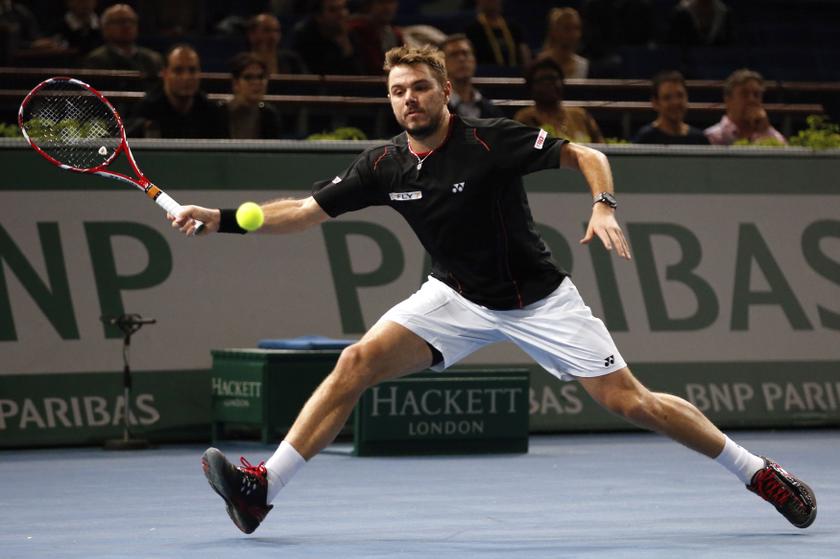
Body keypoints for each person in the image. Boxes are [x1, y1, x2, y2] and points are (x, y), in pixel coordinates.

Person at [171, 44, 817, 535]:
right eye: (398, 91)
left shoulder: (489, 140)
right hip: (453, 296)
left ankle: (757, 471)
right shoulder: (384, 163)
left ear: (445, 90)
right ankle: (260, 490)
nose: (409, 100)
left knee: (632, 401)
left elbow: (585, 155)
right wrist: (221, 218)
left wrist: (604, 204)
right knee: (356, 361)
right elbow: (304, 209)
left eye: (420, 88)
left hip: (537, 300)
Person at [127, 44, 228, 138]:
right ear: (165, 74)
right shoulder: (146, 111)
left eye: (192, 70)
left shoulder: (211, 112)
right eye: (178, 70)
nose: (186, 77)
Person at [513, 58, 604, 143]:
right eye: (542, 80)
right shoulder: (525, 118)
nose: (548, 84)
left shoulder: (579, 115)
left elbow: (601, 147)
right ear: (530, 87)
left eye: (553, 78)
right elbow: (530, 150)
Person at [82, 4, 163, 88]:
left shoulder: (152, 59)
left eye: (131, 21)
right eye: (120, 21)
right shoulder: (95, 61)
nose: (127, 26)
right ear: (105, 28)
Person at [705, 68, 787, 145]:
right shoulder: (711, 137)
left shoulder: (774, 137)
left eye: (756, 95)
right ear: (728, 100)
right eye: (744, 94)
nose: (752, 99)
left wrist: (765, 132)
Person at [632, 70, 710, 145]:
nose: (675, 102)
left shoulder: (699, 139)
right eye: (667, 97)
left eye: (680, 95)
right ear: (655, 103)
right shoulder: (644, 139)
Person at [289, 0, 364, 75]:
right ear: (318, 17)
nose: (342, 14)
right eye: (333, 10)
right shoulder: (304, 38)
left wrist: (346, 45)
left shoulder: (349, 34)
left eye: (343, 7)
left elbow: (360, 77)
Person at [439, 33, 503, 120]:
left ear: (474, 60)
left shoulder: (491, 111)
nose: (461, 59)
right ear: (442, 63)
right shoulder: (437, 109)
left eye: (465, 53)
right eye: (454, 54)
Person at [226, 52, 283, 139]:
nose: (256, 82)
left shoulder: (269, 115)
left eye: (260, 77)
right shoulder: (220, 114)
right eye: (248, 77)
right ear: (235, 83)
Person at [464, 0, 530, 71]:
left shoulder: (513, 28)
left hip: (514, 75)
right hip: (485, 75)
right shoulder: (472, 30)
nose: (492, 2)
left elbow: (525, 56)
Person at [349, 0, 404, 75]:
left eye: (391, 2)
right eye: (381, 2)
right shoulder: (356, 29)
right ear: (369, 5)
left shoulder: (394, 33)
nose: (387, 7)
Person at [537, 7, 589, 80]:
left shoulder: (583, 65)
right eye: (567, 28)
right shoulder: (540, 64)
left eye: (576, 28)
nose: (573, 34)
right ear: (554, 31)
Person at [665, 0, 735, 48]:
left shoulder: (724, 12)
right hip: (687, 64)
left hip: (718, 63)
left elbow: (731, 45)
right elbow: (672, 46)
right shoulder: (681, 13)